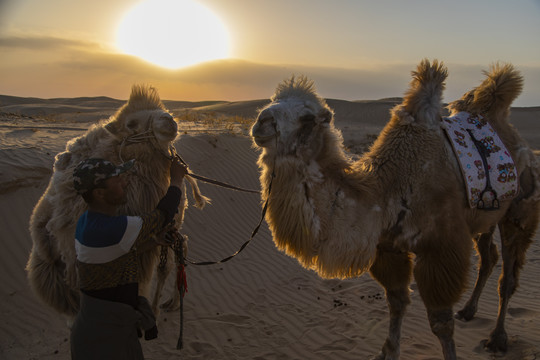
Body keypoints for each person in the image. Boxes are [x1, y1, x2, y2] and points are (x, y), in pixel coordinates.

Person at [70, 157, 187, 360]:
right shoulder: (116, 228)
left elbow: (114, 256)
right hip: (106, 340)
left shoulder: (88, 222)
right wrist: (176, 179)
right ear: (99, 193)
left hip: (101, 329)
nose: (125, 182)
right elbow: (163, 214)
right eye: (117, 180)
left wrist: (155, 241)